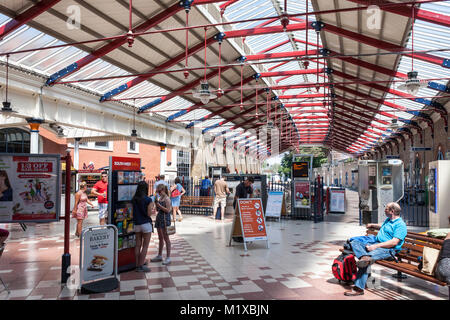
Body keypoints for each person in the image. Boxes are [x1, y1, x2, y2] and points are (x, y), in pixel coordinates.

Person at [344, 202, 407, 296]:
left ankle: (358, 288)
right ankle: (364, 256)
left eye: (386, 208)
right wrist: (373, 225)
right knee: (354, 242)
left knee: (366, 260)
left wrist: (375, 246)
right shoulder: (389, 220)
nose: (385, 210)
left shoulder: (400, 225)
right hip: (376, 243)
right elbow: (384, 227)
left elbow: (394, 242)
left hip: (388, 249)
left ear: (392, 211)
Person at [132, 181, 153, 273]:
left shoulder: (134, 199)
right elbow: (149, 214)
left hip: (137, 224)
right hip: (146, 224)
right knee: (145, 246)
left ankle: (137, 264)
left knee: (137, 245)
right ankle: (141, 265)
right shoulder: (148, 200)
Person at [150, 184, 172, 266]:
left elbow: (168, 210)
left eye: (159, 191)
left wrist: (159, 205)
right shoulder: (161, 198)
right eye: (157, 192)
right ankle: (159, 255)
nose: (158, 193)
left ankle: (168, 257)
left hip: (165, 219)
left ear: (163, 190)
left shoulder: (167, 199)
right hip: (159, 218)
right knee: (160, 238)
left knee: (166, 238)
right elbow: (158, 209)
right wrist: (156, 204)